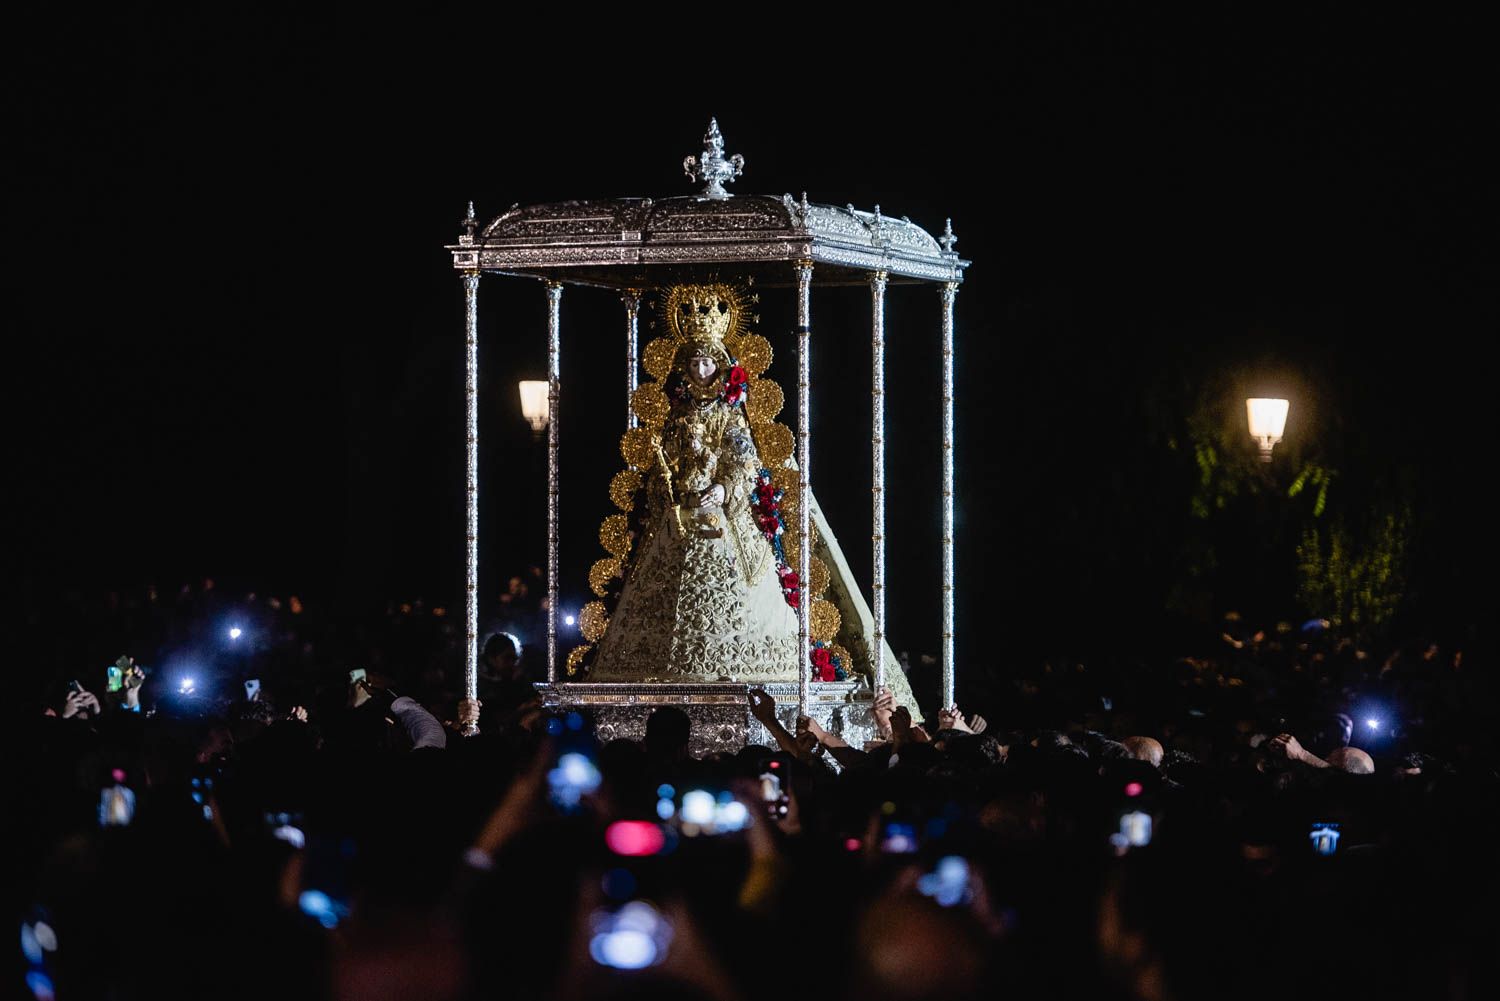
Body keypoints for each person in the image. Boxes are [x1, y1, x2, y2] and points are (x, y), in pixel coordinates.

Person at [585, 284, 922, 717]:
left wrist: (722, 489)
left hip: (727, 518)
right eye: (694, 362)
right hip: (677, 520)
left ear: (722, 367)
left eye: (708, 361)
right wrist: (667, 488)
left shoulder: (730, 415)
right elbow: (660, 464)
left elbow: (744, 460)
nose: (701, 370)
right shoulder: (675, 419)